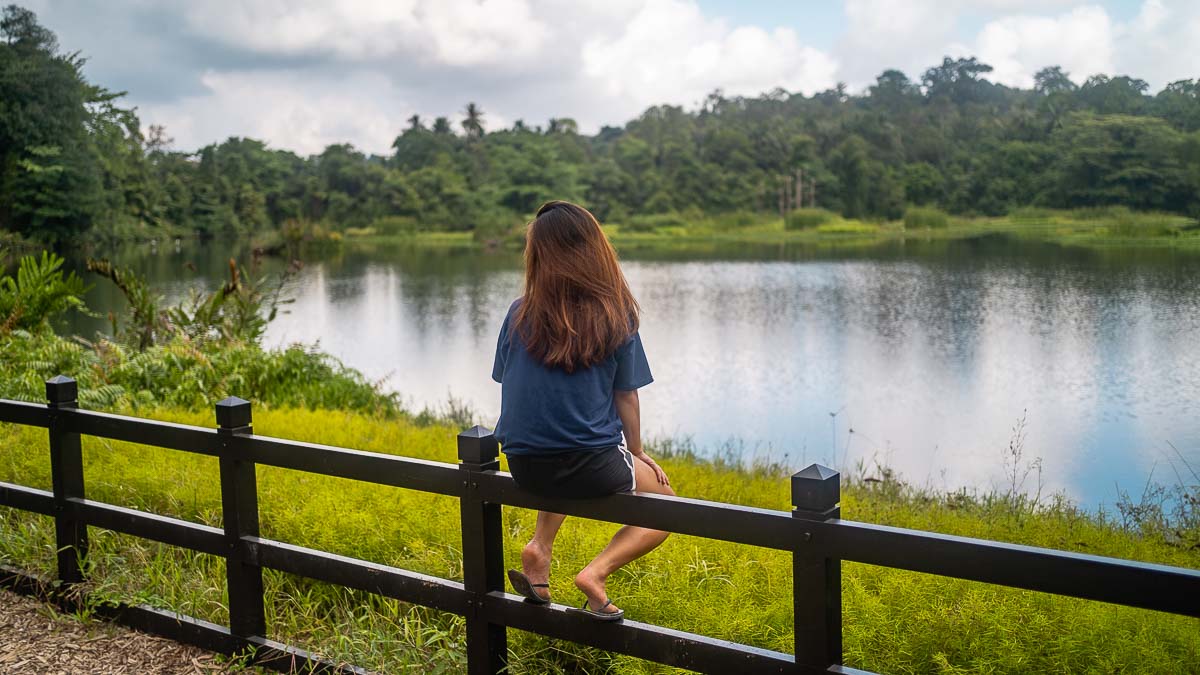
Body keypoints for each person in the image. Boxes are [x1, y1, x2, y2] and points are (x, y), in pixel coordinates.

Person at [491, 200, 674, 621]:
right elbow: (626, 395)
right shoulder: (615, 312)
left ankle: (538, 550)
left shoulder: (518, 313)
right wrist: (638, 451)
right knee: (666, 503)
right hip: (590, 465)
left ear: (538, 256)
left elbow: (506, 380)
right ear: (594, 250)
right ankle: (595, 574)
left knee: (565, 454)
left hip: (523, 463)